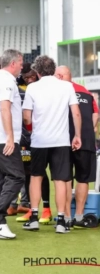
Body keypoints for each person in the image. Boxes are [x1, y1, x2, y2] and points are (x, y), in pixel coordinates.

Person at [22, 56, 81, 234]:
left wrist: (31, 128)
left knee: (36, 177)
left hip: (39, 140)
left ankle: (33, 217)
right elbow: (76, 113)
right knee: (61, 180)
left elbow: (26, 117)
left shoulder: (32, 87)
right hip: (61, 141)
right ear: (53, 70)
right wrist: (77, 135)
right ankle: (62, 220)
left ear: (38, 72)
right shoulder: (66, 86)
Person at [0, 49, 26, 239]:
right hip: (3, 138)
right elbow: (5, 108)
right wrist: (10, 136)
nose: (23, 66)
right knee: (17, 176)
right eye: (21, 62)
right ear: (13, 63)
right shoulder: (7, 80)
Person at [55, 65, 98, 228]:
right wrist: (88, 130)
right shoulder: (86, 91)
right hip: (86, 139)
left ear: (60, 76)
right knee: (83, 178)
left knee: (64, 177)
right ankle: (79, 216)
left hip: (64, 138)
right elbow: (96, 114)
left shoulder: (59, 90)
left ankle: (66, 217)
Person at [14, 63, 52, 224]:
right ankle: (31, 208)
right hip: (26, 138)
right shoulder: (23, 90)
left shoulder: (43, 89)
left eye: (31, 76)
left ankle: (47, 209)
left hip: (42, 136)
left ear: (37, 74)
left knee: (40, 173)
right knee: (28, 173)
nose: (29, 79)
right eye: (26, 77)